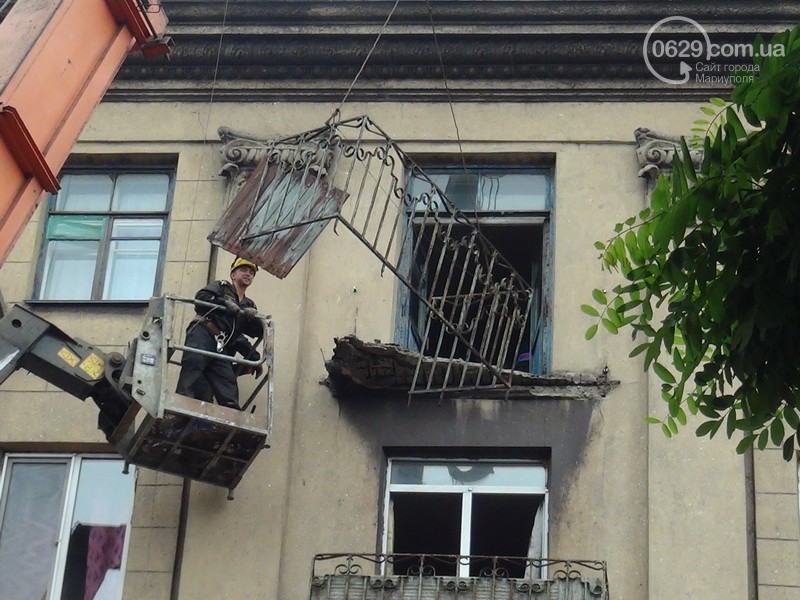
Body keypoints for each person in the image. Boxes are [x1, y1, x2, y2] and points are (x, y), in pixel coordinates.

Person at [176, 257, 264, 410]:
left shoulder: (248, 304)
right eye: (243, 270)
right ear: (233, 275)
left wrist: (254, 319)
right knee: (194, 366)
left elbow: (246, 335)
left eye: (251, 272)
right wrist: (224, 303)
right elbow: (201, 298)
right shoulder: (221, 287)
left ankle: (232, 417)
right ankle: (179, 408)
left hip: (220, 344)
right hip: (204, 332)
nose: (248, 274)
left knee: (227, 381)